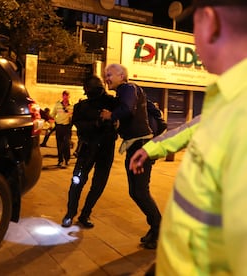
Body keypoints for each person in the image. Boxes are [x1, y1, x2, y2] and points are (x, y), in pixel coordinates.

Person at [129, 0, 247, 274]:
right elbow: (196, 127)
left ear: (210, 22)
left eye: (192, 26)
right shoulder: (228, 95)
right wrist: (152, 148)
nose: (193, 41)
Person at [101, 63, 161, 249]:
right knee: (135, 192)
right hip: (137, 146)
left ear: (121, 75)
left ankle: (159, 229)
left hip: (140, 147)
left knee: (140, 191)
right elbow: (152, 111)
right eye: (105, 76)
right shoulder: (129, 92)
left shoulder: (128, 88)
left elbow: (127, 109)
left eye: (109, 74)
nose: (106, 79)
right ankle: (156, 227)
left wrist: (111, 116)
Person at [61, 75, 118, 228]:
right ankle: (70, 213)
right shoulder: (82, 106)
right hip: (87, 149)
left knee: (99, 184)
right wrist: (97, 122)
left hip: (106, 150)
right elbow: (79, 125)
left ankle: (85, 214)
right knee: (77, 182)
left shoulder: (112, 102)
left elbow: (126, 113)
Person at [50, 90, 73, 167]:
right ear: (62, 96)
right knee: (59, 144)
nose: (66, 97)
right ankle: (60, 160)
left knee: (66, 144)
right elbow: (52, 114)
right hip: (59, 127)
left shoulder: (71, 106)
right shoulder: (57, 105)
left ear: (69, 96)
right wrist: (50, 122)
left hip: (67, 127)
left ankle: (67, 159)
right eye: (64, 95)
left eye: (67, 96)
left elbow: (73, 117)